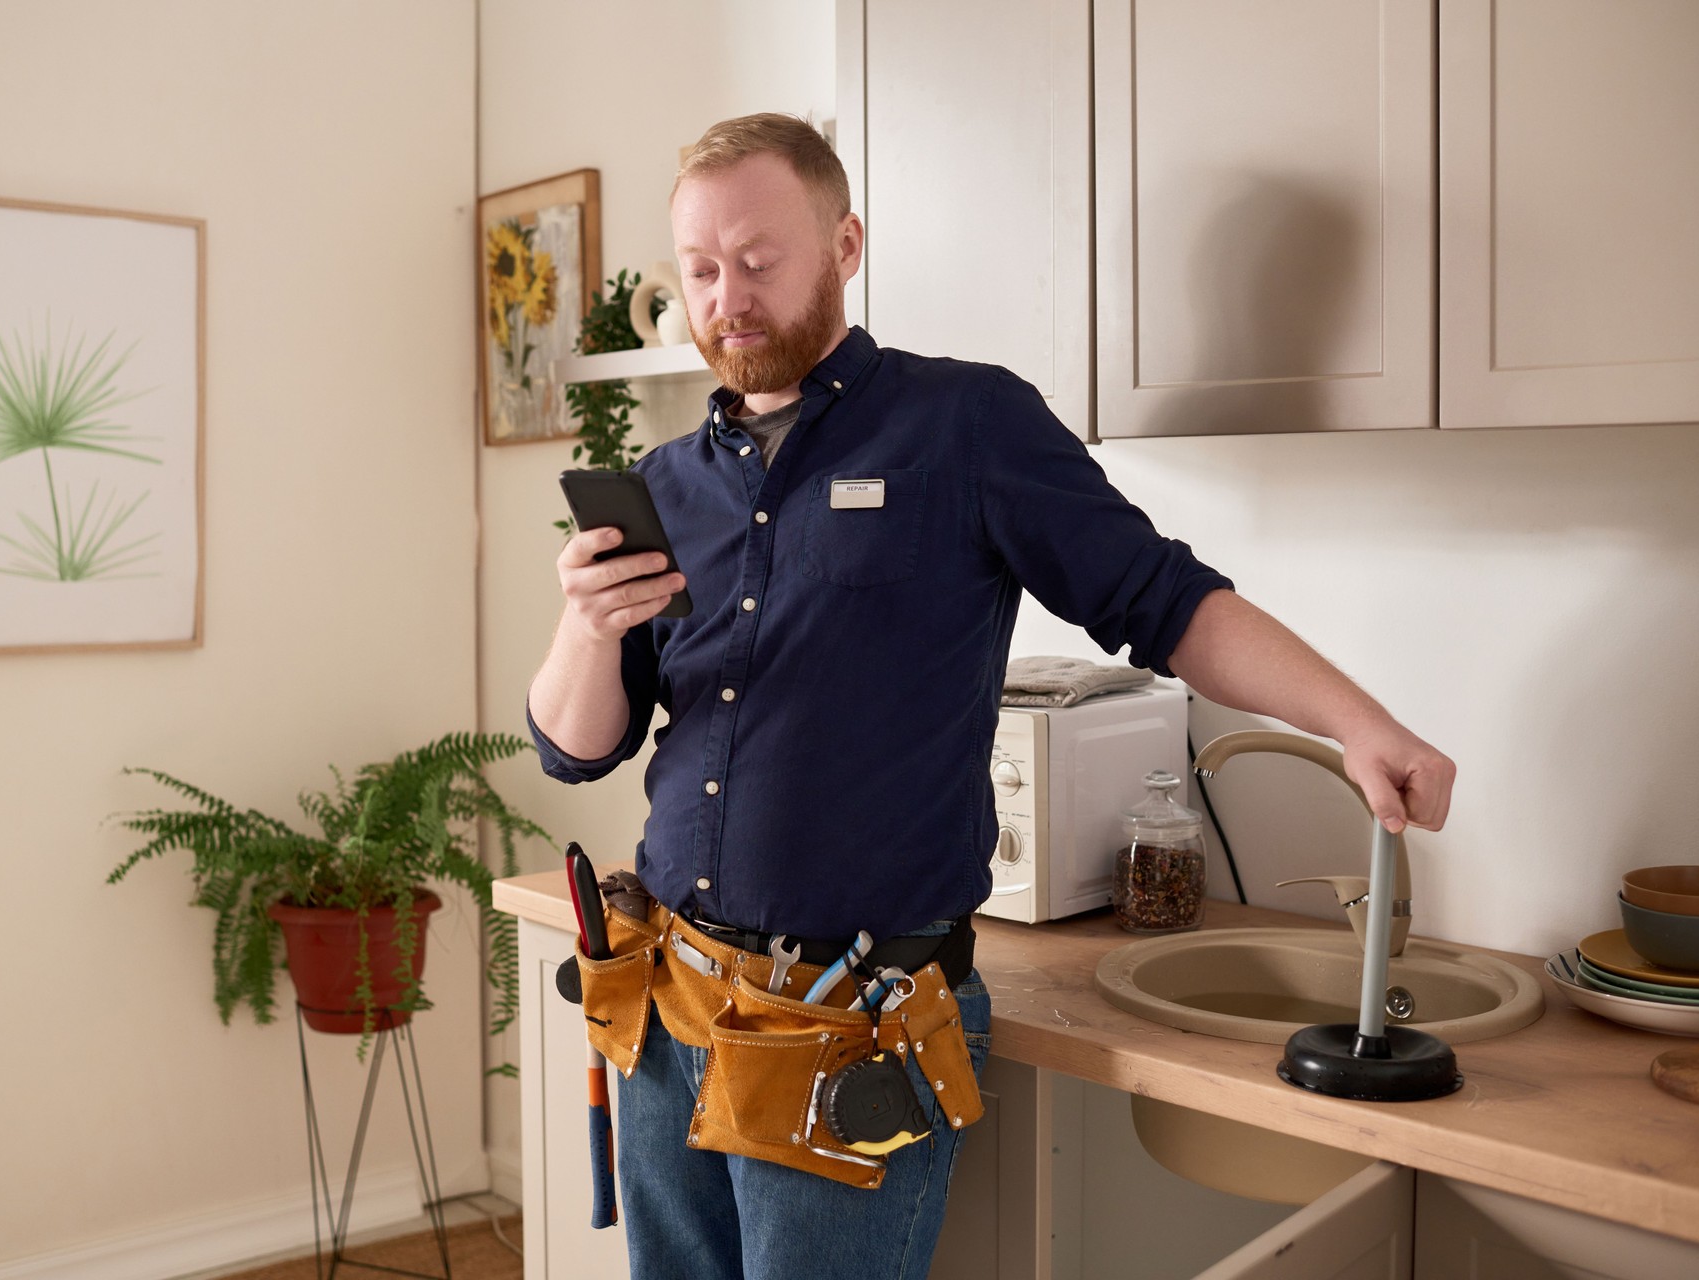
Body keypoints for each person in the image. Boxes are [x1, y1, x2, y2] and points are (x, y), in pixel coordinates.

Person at [526, 113, 1454, 1280]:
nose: (729, 299)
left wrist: (1360, 723)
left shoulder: (963, 425)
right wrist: (584, 623)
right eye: (702, 270)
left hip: (851, 1020)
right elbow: (577, 748)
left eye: (759, 260)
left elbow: (1166, 598)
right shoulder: (668, 483)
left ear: (846, 244)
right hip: (669, 1006)